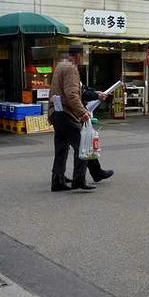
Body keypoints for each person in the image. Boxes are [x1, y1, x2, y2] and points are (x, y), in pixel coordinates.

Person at [48, 47, 114, 192]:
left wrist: (94, 95)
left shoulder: (61, 65)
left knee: (61, 148)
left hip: (56, 112)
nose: (85, 59)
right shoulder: (71, 68)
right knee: (83, 146)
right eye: (84, 56)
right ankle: (78, 180)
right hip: (66, 113)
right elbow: (71, 94)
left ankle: (57, 181)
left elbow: (76, 91)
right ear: (77, 56)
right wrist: (82, 112)